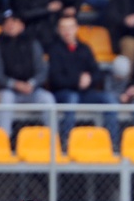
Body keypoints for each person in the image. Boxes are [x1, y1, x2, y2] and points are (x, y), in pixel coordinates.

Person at [48, 15, 120, 147]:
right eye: (63, 28)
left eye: (70, 27)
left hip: (85, 93)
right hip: (63, 94)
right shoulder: (54, 50)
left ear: (76, 29)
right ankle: (66, 142)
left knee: (109, 99)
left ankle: (113, 143)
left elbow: (97, 73)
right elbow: (55, 79)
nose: (67, 31)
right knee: (72, 98)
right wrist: (77, 81)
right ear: (58, 30)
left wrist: (90, 79)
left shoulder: (85, 48)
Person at [0, 10, 55, 137]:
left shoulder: (33, 43)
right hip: (8, 90)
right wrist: (15, 84)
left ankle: (52, 140)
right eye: (7, 22)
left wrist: (31, 84)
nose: (11, 25)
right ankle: (4, 139)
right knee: (7, 100)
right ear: (2, 27)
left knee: (48, 99)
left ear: (22, 25)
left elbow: (42, 70)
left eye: (15, 21)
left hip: (32, 90)